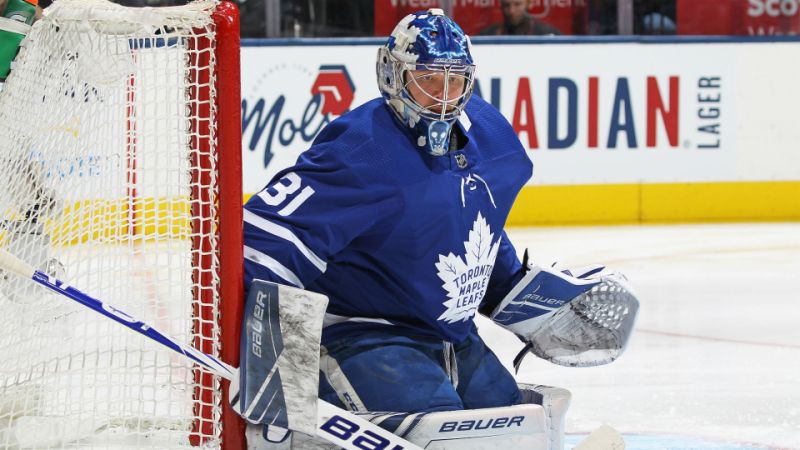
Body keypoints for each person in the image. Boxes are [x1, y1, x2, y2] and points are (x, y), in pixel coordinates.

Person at [239, 8, 638, 448]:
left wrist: (528, 297)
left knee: (522, 426)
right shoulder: (363, 150)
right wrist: (271, 363)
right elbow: (263, 243)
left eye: (455, 80)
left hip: (451, 334)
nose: (443, 95)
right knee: (448, 438)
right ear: (393, 76)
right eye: (427, 79)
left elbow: (470, 225)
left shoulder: (492, 139)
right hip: (363, 331)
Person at [479, 0, 561, 36]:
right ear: (501, 5)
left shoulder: (548, 35)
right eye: (507, 5)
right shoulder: (487, 35)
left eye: (517, 4)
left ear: (529, 3)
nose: (512, 11)